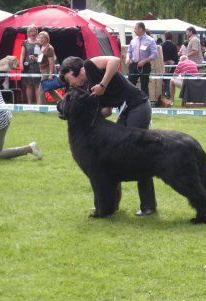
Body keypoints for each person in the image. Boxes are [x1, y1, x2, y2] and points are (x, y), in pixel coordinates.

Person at [58, 55, 156, 216]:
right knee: (115, 156)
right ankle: (110, 205)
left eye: (68, 79)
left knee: (137, 154)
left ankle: (148, 205)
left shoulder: (90, 65)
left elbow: (115, 61)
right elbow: (107, 111)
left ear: (72, 70)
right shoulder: (89, 87)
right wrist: (83, 118)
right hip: (125, 110)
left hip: (138, 105)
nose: (71, 84)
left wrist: (103, 84)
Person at [126, 22, 156, 98]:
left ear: (141, 29)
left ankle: (145, 104)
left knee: (144, 86)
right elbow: (129, 51)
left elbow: (154, 54)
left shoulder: (150, 40)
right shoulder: (133, 40)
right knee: (130, 85)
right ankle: (130, 102)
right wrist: (127, 58)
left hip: (144, 65)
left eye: (135, 28)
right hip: (133, 65)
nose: (134, 30)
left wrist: (144, 61)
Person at [21, 24, 41, 104]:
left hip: (38, 66)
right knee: (28, 86)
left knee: (37, 85)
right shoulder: (25, 42)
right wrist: (21, 64)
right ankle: (29, 104)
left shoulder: (40, 42)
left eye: (34, 31)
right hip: (27, 67)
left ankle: (38, 104)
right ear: (28, 33)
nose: (33, 33)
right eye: (31, 31)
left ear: (37, 32)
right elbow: (22, 55)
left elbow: (42, 55)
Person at [36, 30, 56, 104]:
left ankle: (41, 107)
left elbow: (51, 62)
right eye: (39, 37)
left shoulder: (49, 48)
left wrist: (50, 73)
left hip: (48, 70)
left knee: (41, 89)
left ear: (46, 38)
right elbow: (40, 59)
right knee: (50, 90)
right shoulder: (41, 47)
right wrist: (34, 58)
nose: (40, 39)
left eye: (42, 37)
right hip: (44, 70)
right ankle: (62, 101)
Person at [161, 31, 178, 98]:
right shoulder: (174, 45)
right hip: (172, 64)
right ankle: (169, 93)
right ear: (171, 37)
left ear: (165, 37)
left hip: (164, 64)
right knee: (170, 79)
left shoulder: (162, 45)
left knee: (164, 79)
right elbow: (176, 56)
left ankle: (165, 93)